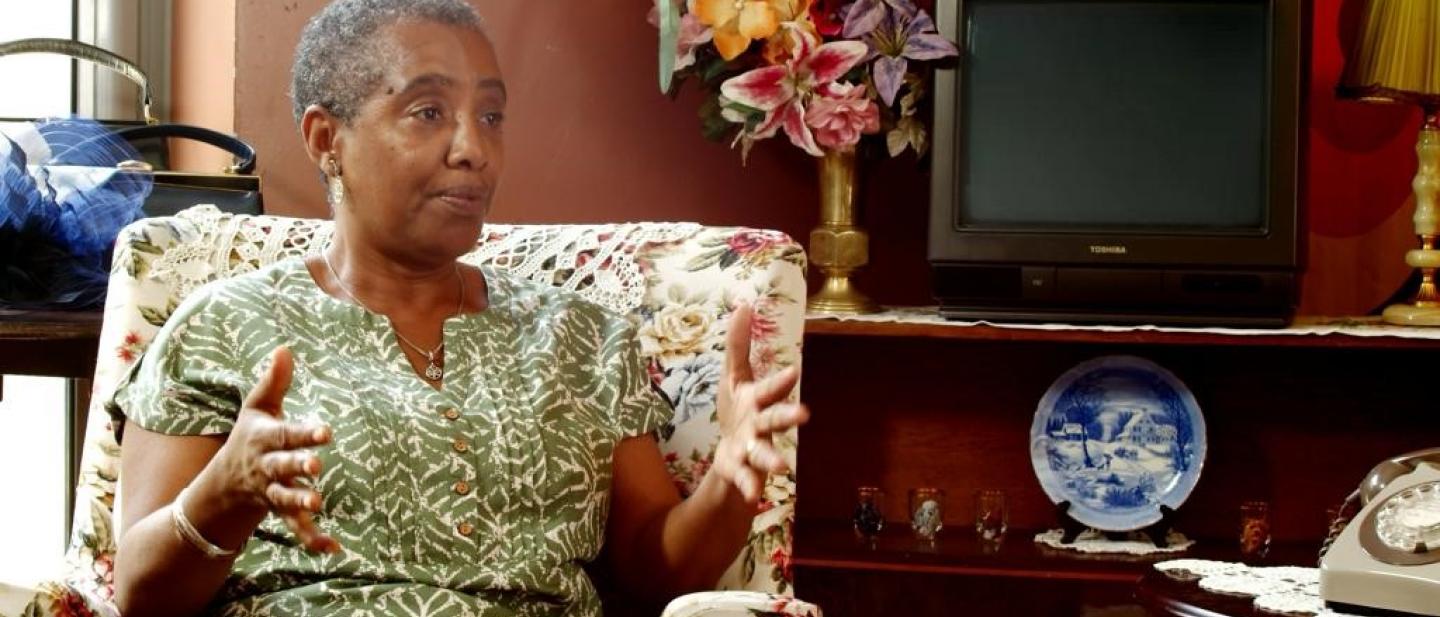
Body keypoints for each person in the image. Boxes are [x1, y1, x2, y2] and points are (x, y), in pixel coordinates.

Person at [107, 1, 809, 615]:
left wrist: (727, 484)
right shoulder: (221, 325)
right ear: (327, 141)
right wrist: (224, 495)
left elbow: (653, 573)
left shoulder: (583, 336)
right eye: (428, 112)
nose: (474, 148)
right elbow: (138, 594)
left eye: (492, 115)